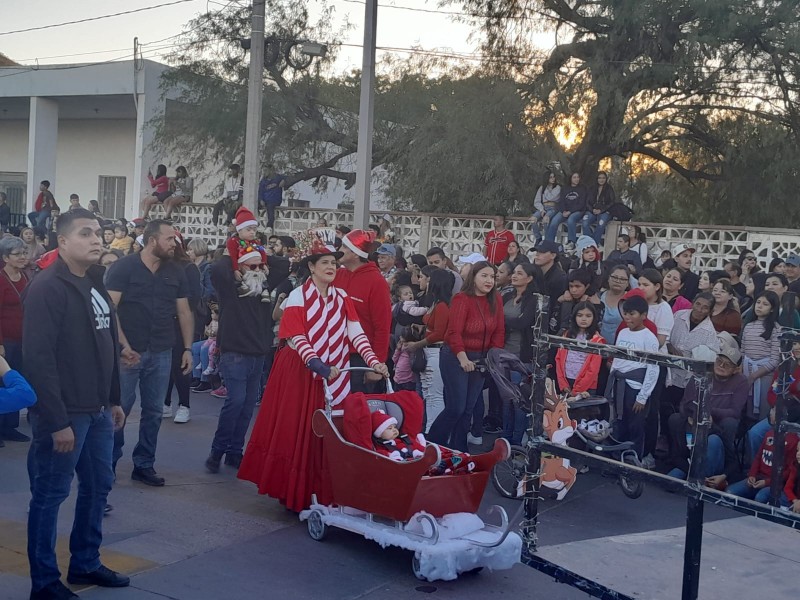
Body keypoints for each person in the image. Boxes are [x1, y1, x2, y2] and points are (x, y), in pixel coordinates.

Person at [237, 232, 388, 511]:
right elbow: (297, 336)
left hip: (334, 372)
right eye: (324, 263)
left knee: (329, 431)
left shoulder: (342, 297)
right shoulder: (297, 296)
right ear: (311, 267)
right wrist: (317, 365)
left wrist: (374, 360)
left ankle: (324, 490)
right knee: (300, 431)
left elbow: (356, 334)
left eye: (334, 262)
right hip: (301, 372)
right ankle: (294, 492)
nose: (331, 267)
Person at [24, 208, 129, 599]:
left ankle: (85, 563)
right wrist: (56, 420)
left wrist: (114, 399)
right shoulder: (48, 287)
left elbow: (108, 346)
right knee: (50, 496)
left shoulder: (96, 282)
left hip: (99, 411)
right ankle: (45, 583)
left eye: (99, 232)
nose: (97, 239)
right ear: (63, 242)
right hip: (66, 415)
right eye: (86, 233)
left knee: (98, 487)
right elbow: (39, 358)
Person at [107, 220, 193, 487]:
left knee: (154, 411)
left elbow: (184, 312)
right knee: (120, 408)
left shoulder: (176, 271)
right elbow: (110, 311)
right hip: (128, 353)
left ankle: (144, 464)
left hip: (162, 350)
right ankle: (107, 463)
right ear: (153, 240)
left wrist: (188, 348)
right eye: (169, 239)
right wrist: (123, 346)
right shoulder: (123, 268)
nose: (174, 243)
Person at [204, 229, 274, 473]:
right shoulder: (230, 291)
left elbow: (283, 265)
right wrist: (234, 247)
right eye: (250, 266)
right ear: (239, 268)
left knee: (246, 407)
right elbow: (217, 270)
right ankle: (217, 451)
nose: (255, 271)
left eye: (258, 267)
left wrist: (260, 254)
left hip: (258, 354)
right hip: (235, 353)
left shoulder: (263, 294)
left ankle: (235, 451)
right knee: (235, 402)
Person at [427, 261, 504, 452]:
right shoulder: (462, 299)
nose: (489, 281)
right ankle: (432, 444)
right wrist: (462, 358)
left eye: (492, 277)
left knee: (468, 409)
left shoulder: (496, 300)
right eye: (484, 276)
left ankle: (458, 451)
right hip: (455, 356)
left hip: (481, 359)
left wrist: (492, 357)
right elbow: (453, 333)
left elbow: (499, 331)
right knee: (456, 407)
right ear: (473, 278)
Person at [668, 333, 747, 487]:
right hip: (696, 418)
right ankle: (686, 468)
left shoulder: (741, 381)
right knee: (675, 418)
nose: (721, 366)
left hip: (718, 427)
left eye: (727, 364)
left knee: (729, 424)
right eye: (719, 361)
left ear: (736, 369)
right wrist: (698, 414)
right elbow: (686, 402)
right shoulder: (701, 373)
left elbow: (735, 411)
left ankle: (708, 474)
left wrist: (708, 412)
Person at [335, 229, 392, 393]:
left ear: (355, 253)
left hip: (359, 358)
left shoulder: (376, 282)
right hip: (334, 353)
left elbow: (382, 327)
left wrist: (376, 364)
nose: (339, 251)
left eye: (344, 247)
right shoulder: (338, 275)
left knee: (355, 410)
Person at [661, 293, 719, 451]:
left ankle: (677, 447)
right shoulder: (679, 316)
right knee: (664, 407)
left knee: (680, 412)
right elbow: (665, 336)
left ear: (710, 311)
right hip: (669, 370)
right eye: (698, 304)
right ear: (693, 303)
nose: (700, 309)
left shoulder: (709, 332)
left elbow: (710, 358)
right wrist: (670, 347)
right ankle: (664, 439)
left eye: (705, 307)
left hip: (688, 377)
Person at [606, 295, 660, 458]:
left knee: (635, 426)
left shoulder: (649, 337)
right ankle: (617, 457)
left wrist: (643, 396)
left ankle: (633, 460)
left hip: (635, 387)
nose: (628, 317)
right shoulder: (622, 332)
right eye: (626, 313)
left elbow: (653, 368)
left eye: (633, 313)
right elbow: (617, 358)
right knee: (619, 423)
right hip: (619, 384)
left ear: (643, 315)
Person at [402, 268, 453, 432]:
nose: (425, 282)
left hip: (435, 353)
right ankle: (430, 431)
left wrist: (417, 344)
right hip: (430, 352)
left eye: (429, 279)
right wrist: (422, 327)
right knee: (428, 393)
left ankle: (434, 433)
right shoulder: (436, 304)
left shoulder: (442, 306)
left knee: (434, 396)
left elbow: (440, 333)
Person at [498, 263, 542, 444]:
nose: (514, 276)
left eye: (519, 273)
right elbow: (497, 319)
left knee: (519, 401)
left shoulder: (533, 299)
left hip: (521, 357)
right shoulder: (507, 295)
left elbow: (524, 322)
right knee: (506, 400)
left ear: (529, 278)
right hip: (503, 353)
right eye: (514, 272)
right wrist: (508, 321)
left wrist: (504, 320)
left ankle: (515, 441)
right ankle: (505, 439)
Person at [162, 236, 203, 424]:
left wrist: (176, 308)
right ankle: (165, 402)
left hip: (181, 322)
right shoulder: (162, 266)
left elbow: (194, 298)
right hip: (163, 321)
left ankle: (184, 405)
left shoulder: (188, 268)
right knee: (166, 364)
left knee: (180, 364)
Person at [0, 236, 31, 446]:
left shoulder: (26, 276)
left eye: (24, 253)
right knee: (3, 383)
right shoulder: (0, 279)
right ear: (5, 257)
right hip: (5, 340)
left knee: (18, 378)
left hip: (24, 339)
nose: (22, 257)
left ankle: (10, 427)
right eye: (17, 254)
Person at [740, 291, 781, 422]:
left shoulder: (776, 329)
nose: (759, 306)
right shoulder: (748, 326)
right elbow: (742, 352)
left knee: (763, 411)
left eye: (765, 304)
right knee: (747, 411)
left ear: (772, 308)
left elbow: (775, 359)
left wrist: (755, 375)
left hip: (765, 376)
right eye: (758, 302)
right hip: (747, 372)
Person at [556, 302, 605, 397]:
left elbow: (593, 370)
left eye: (588, 316)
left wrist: (577, 390)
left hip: (586, 386)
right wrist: (563, 384)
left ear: (594, 318)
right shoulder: (566, 335)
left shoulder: (597, 340)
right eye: (580, 315)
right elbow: (558, 359)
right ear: (574, 317)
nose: (583, 319)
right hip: (566, 381)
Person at [546, 172, 587, 248]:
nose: (576, 179)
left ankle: (571, 241)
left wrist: (570, 212)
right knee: (554, 220)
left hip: (577, 211)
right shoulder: (565, 188)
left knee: (571, 220)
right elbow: (561, 201)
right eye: (574, 177)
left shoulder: (582, 189)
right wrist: (564, 211)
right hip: (565, 211)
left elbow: (581, 204)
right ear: (570, 179)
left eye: (578, 177)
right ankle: (548, 242)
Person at [599, 264, 629, 343]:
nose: (618, 281)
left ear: (627, 283)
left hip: (621, 346)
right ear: (609, 278)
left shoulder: (630, 300)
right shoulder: (598, 296)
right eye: (615, 277)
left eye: (622, 279)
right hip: (597, 345)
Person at [582, 171, 615, 244]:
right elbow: (587, 202)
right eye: (599, 178)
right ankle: (588, 242)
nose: (601, 180)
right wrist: (592, 209)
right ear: (597, 179)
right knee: (584, 222)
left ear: (606, 179)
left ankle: (594, 244)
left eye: (603, 178)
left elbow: (612, 202)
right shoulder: (591, 188)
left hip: (604, 211)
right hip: (592, 211)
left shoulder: (609, 189)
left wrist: (601, 210)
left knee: (601, 224)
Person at [530, 170, 561, 245]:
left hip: (552, 208)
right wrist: (541, 209)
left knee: (546, 219)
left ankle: (547, 239)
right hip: (543, 207)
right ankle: (538, 238)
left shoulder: (557, 187)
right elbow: (537, 201)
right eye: (550, 177)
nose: (553, 179)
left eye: (553, 177)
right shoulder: (542, 188)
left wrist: (545, 190)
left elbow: (551, 197)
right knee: (533, 219)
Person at [258, 165, 287, 231]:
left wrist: (284, 180)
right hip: (265, 200)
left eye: (265, 170)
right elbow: (260, 191)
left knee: (270, 207)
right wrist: (261, 199)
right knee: (254, 204)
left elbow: (288, 177)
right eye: (263, 171)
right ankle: (255, 220)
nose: (264, 172)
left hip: (274, 200)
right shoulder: (263, 181)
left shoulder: (278, 177)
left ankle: (269, 226)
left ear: (271, 170)